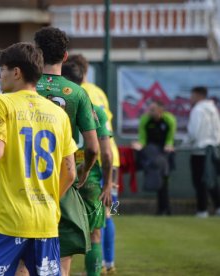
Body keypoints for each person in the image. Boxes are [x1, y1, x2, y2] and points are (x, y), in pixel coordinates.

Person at [0, 42, 77, 275]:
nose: (0, 75)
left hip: (6, 220)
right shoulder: (59, 114)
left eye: (3, 69)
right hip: (45, 221)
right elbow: (70, 172)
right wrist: (47, 200)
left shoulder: (1, 102)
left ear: (17, 72)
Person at [33, 27, 102, 276]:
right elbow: (93, 147)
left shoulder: (22, 89)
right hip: (62, 178)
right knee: (62, 260)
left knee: (24, 260)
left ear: (37, 54)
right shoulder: (78, 93)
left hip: (25, 179)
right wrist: (83, 173)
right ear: (65, 56)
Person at [64, 54, 120, 274]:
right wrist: (108, 182)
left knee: (62, 232)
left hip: (70, 169)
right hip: (99, 172)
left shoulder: (58, 102)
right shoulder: (97, 98)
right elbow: (104, 148)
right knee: (105, 219)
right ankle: (107, 262)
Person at [133, 100, 177, 215]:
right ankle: (161, 210)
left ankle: (166, 209)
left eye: (153, 109)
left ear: (160, 110)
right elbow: (142, 139)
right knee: (157, 179)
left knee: (164, 181)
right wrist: (139, 145)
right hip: (151, 153)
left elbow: (170, 139)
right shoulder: (145, 120)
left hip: (165, 153)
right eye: (149, 109)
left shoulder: (169, 120)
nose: (150, 112)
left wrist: (169, 145)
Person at [187, 86, 220, 218]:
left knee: (199, 181)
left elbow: (193, 132)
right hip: (213, 150)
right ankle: (218, 207)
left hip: (199, 152)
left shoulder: (198, 110)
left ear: (198, 95)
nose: (191, 98)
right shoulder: (214, 109)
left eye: (192, 95)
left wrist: (187, 143)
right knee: (211, 179)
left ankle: (202, 210)